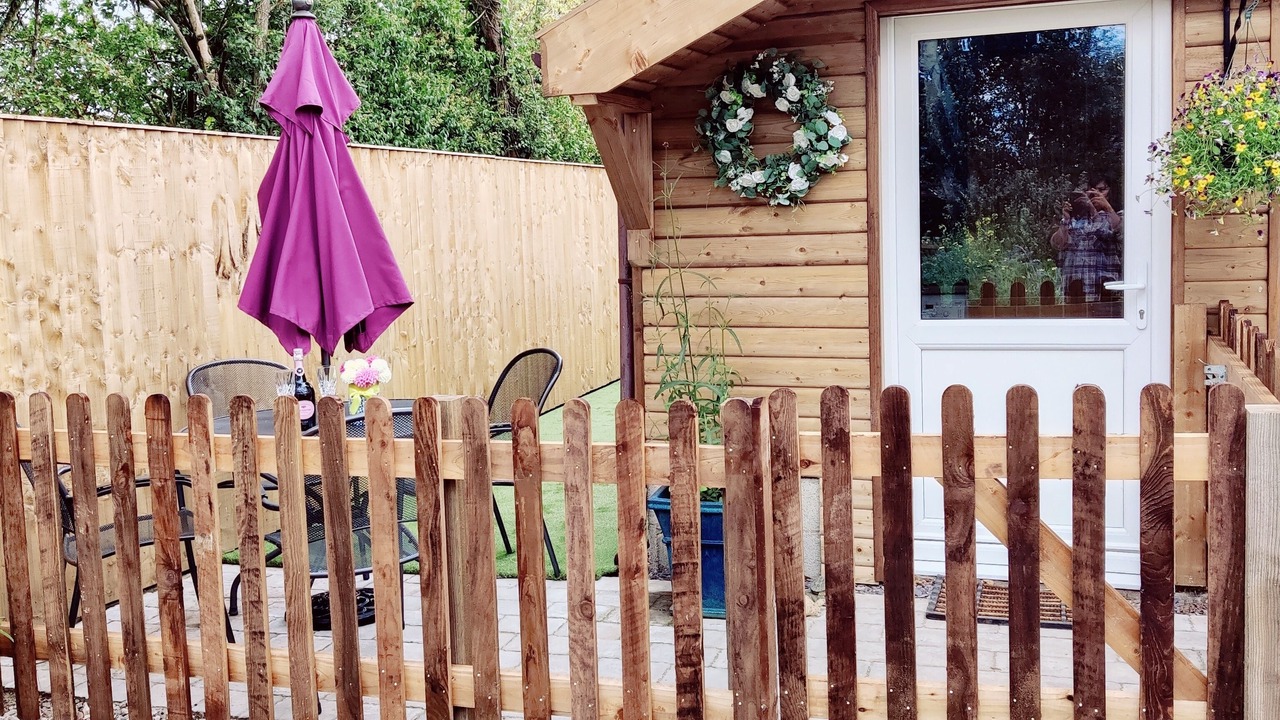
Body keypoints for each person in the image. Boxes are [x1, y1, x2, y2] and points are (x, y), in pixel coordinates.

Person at [1050, 181, 1123, 302]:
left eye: (1101, 190)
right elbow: (1057, 245)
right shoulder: (1073, 220)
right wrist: (1066, 219)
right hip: (1074, 290)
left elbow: (1115, 235)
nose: (1095, 195)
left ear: (1111, 193)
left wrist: (1097, 209)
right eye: (1090, 192)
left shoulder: (1115, 216)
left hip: (1103, 291)